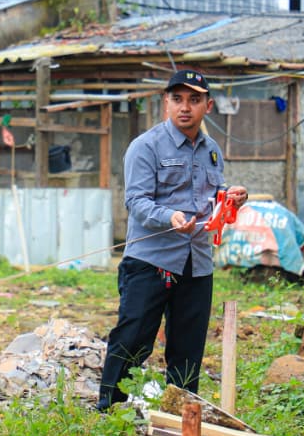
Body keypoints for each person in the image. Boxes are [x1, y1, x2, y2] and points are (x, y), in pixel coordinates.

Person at [97, 70, 248, 410]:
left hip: (197, 263)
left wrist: (232, 196)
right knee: (133, 339)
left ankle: (181, 415)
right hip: (151, 261)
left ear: (207, 106)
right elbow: (135, 201)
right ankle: (108, 411)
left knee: (188, 346)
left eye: (194, 100)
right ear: (165, 102)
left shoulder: (211, 150)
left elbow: (213, 194)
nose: (185, 107)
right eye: (177, 99)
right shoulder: (145, 146)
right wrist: (170, 217)